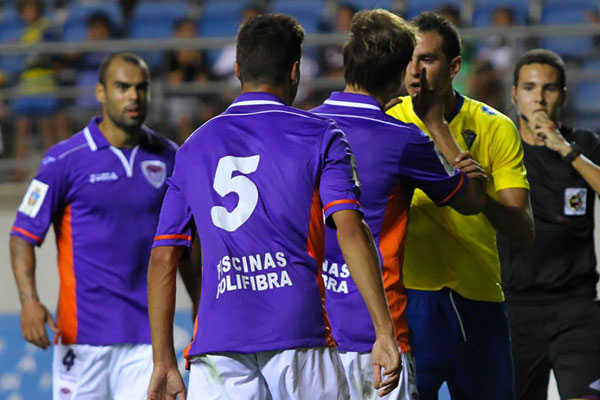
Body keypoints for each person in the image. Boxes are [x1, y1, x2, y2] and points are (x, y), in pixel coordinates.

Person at [146, 13, 400, 400]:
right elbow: (350, 229)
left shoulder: (194, 146)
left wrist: (163, 362)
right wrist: (384, 332)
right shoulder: (322, 135)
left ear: (236, 69)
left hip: (218, 339)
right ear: (294, 71)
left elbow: (164, 257)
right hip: (298, 331)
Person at [311, 9, 487, 400]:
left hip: (308, 336)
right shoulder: (404, 138)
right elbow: (472, 200)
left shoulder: (302, 125)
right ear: (397, 74)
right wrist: (438, 126)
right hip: (376, 338)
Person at [9, 52, 179, 400]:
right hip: (81, 338)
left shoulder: (169, 158)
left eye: (140, 88)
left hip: (149, 343)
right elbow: (22, 235)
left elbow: (188, 251)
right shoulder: (64, 160)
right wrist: (28, 300)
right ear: (100, 93)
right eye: (122, 87)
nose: (133, 96)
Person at [386, 12, 534, 400]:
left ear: (454, 66)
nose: (415, 72)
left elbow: (523, 229)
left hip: (479, 296)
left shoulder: (495, 126)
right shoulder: (386, 122)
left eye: (427, 60)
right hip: (410, 298)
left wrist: (475, 195)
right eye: (409, 60)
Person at [500, 48, 600, 400]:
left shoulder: (584, 145)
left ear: (564, 96)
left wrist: (564, 149)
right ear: (514, 94)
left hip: (576, 307)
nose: (539, 98)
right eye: (529, 88)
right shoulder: (499, 149)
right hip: (514, 308)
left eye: (549, 89)